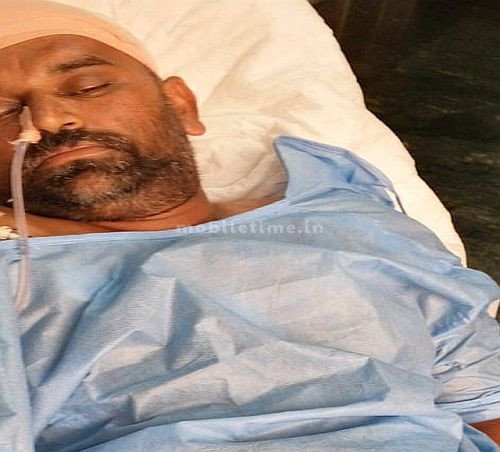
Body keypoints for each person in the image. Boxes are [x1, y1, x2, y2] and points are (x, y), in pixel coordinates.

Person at [0, 1, 498, 451]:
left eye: (88, 87)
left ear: (182, 105)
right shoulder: (14, 276)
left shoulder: (349, 219)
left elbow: (483, 399)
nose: (48, 118)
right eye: (2, 111)